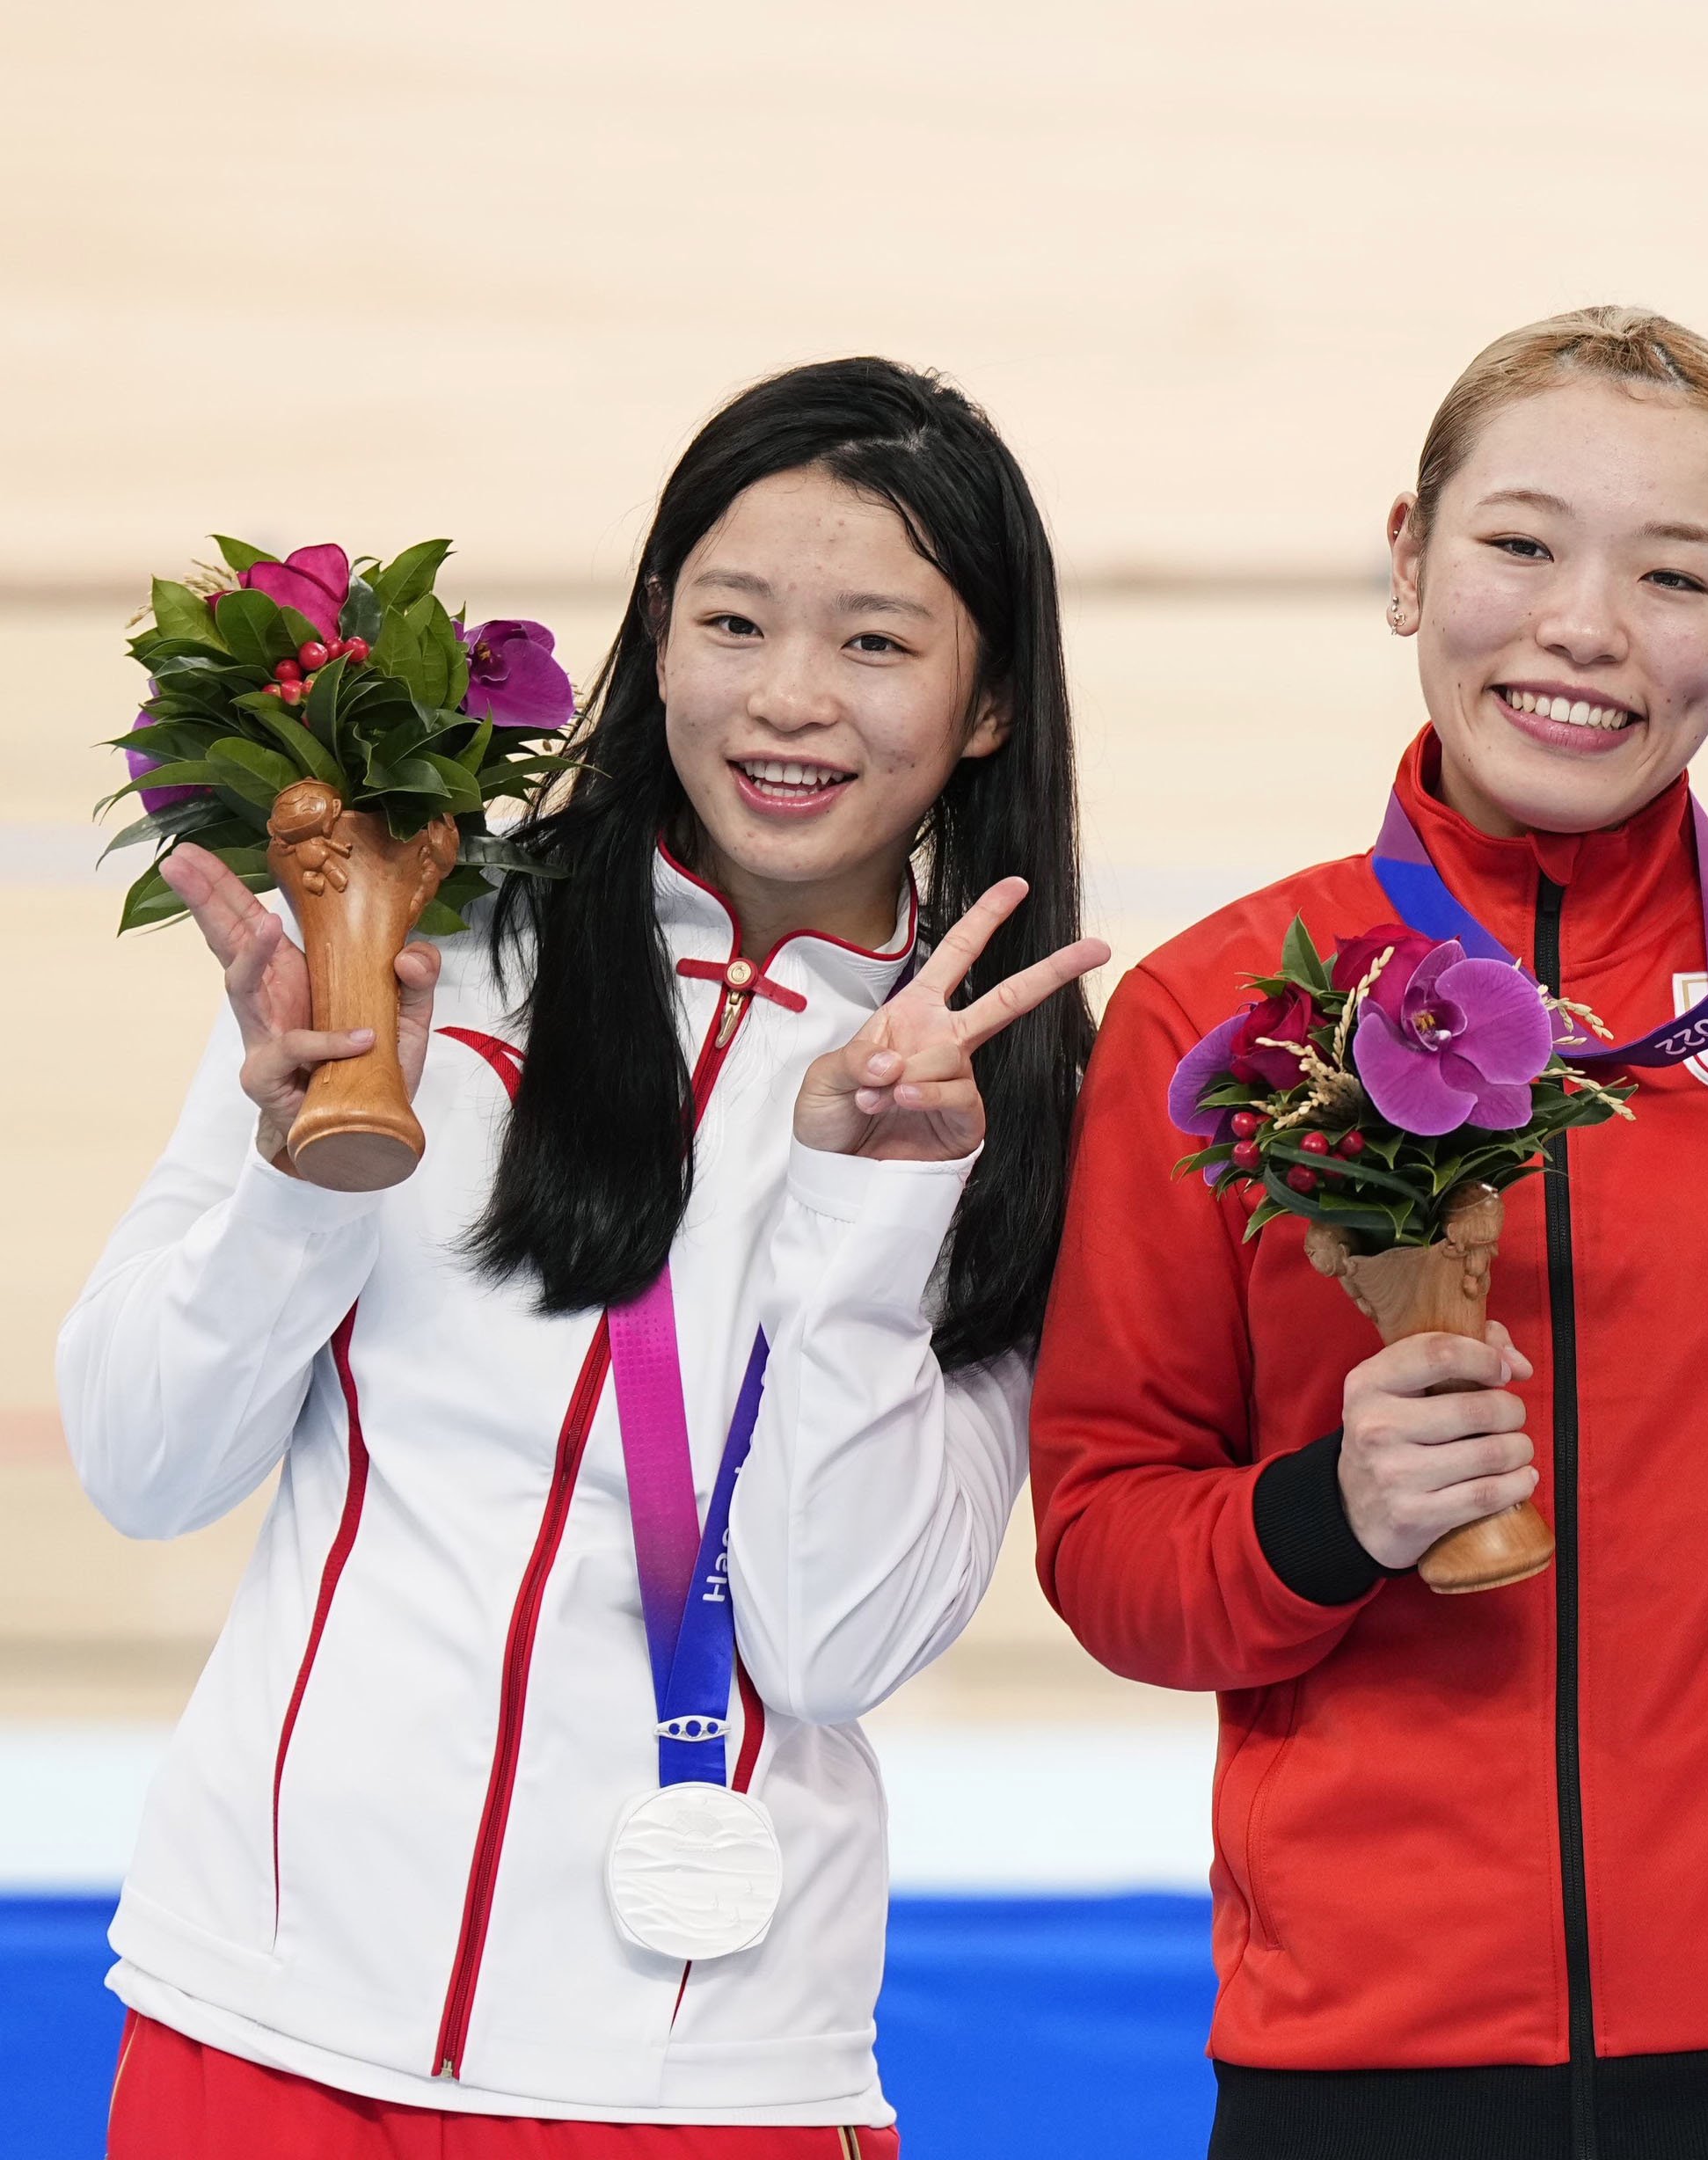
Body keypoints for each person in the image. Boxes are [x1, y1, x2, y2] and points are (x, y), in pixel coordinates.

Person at [62, 357, 1106, 2153]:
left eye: (876, 643)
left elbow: (838, 1639)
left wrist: (866, 1212)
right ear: (655, 633)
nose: (789, 699)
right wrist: (304, 1162)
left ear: (990, 699)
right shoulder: (416, 944)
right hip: (258, 2026)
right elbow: (145, 1464)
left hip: (700, 2081)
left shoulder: (1019, 1096)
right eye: (733, 620)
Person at [1033, 306, 1708, 2156]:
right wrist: (1323, 1513)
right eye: (1520, 543)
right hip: (1375, 2056)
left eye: (1674, 575)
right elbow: (1107, 1543)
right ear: (1409, 559)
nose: (1586, 625)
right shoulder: (1221, 1014)